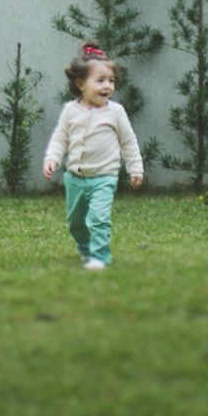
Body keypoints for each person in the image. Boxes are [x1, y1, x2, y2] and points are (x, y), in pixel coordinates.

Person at [43, 43, 144, 270]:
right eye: (100, 81)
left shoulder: (115, 112)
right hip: (75, 178)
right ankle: (86, 251)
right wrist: (52, 158)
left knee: (98, 219)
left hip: (104, 177)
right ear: (81, 84)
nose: (107, 86)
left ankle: (100, 256)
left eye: (111, 81)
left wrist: (136, 168)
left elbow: (128, 142)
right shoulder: (70, 110)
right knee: (76, 222)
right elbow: (60, 138)